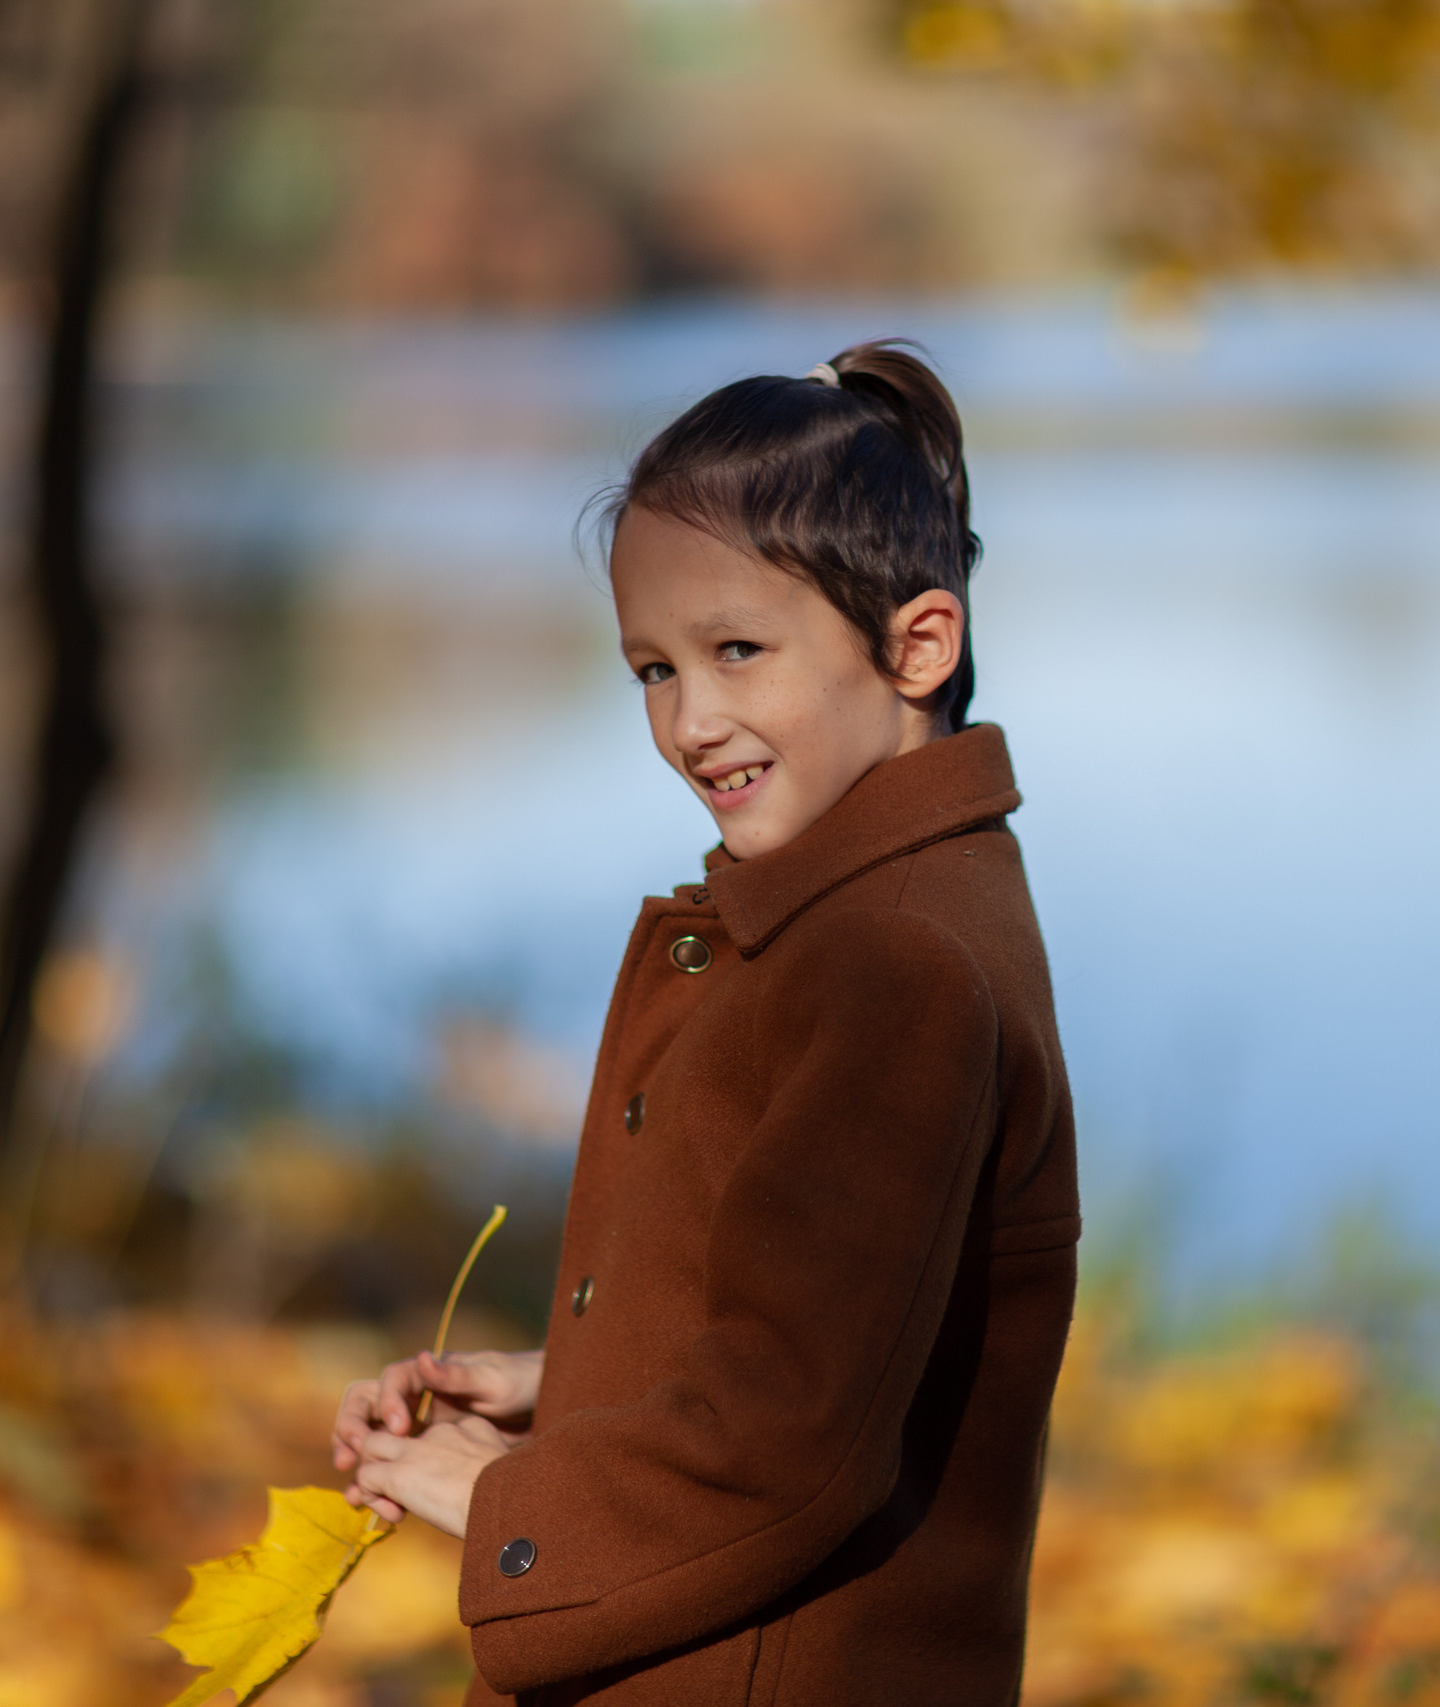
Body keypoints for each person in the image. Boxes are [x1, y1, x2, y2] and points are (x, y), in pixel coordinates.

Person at [330, 339, 1079, 1706]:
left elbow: (794, 1433)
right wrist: (571, 1390)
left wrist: (508, 1505)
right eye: (653, 671)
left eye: (738, 650)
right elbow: (837, 1326)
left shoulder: (894, 966)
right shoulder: (861, 912)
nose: (690, 721)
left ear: (918, 644)